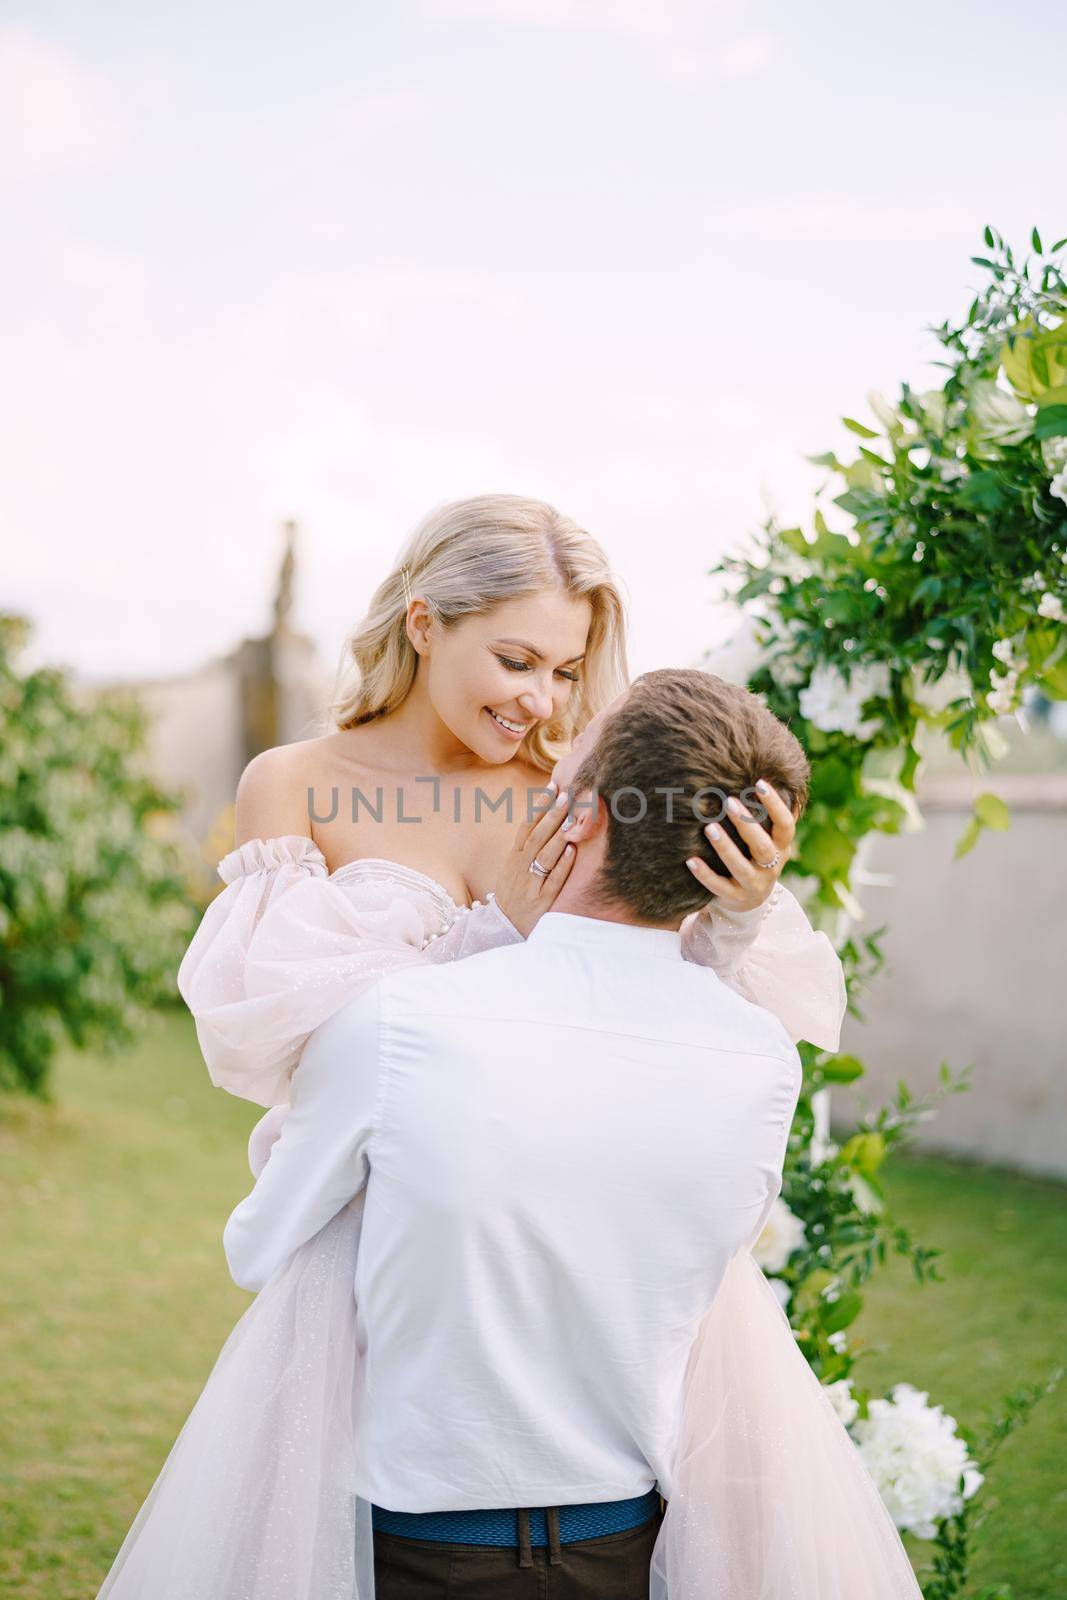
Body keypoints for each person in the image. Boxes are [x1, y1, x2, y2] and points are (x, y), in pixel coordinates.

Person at [95, 497, 848, 1598]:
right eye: (514, 657)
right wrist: (495, 932)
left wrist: (731, 912)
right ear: (421, 623)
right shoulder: (293, 784)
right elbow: (275, 1043)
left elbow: (659, 1023)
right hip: (368, 1251)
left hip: (543, 1246)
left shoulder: (572, 790)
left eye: (565, 668)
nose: (540, 697)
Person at [220, 667, 923, 1599]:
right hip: (629, 1551)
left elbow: (260, 1245)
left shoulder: (399, 1026)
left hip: (415, 1555)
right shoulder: (759, 1058)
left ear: (580, 816)